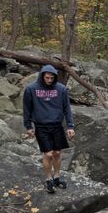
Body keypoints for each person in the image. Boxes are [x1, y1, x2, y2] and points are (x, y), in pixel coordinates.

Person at [22, 65, 75, 194]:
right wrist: (28, 126)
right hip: (41, 126)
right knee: (48, 154)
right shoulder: (31, 89)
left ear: (55, 77)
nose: (49, 80)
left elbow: (67, 109)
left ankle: (56, 177)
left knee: (57, 153)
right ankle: (48, 179)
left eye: (52, 78)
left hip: (57, 125)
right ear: (42, 76)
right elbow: (27, 109)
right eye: (47, 77)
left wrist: (70, 126)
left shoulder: (61, 89)